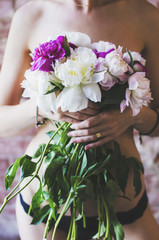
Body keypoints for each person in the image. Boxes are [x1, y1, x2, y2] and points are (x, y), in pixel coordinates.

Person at [0, 0, 159, 239]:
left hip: (124, 211)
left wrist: (129, 116)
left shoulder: (145, 14)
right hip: (46, 212)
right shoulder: (30, 15)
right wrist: (43, 107)